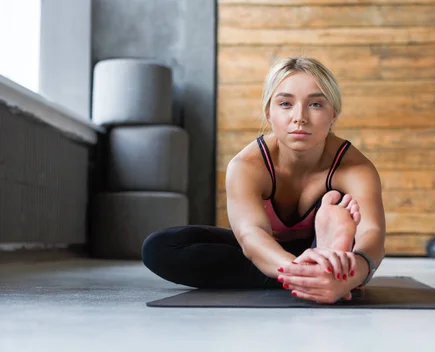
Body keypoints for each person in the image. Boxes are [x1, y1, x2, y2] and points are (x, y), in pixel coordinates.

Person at [142, 56, 386, 304]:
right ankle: (321, 273)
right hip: (269, 252)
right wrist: (298, 271)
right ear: (269, 112)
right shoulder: (246, 166)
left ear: (334, 113)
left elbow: (372, 233)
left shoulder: (355, 168)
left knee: (352, 243)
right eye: (285, 104)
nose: (299, 117)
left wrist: (356, 268)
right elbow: (251, 235)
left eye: (315, 104)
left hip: (293, 258)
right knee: (160, 247)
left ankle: (330, 259)